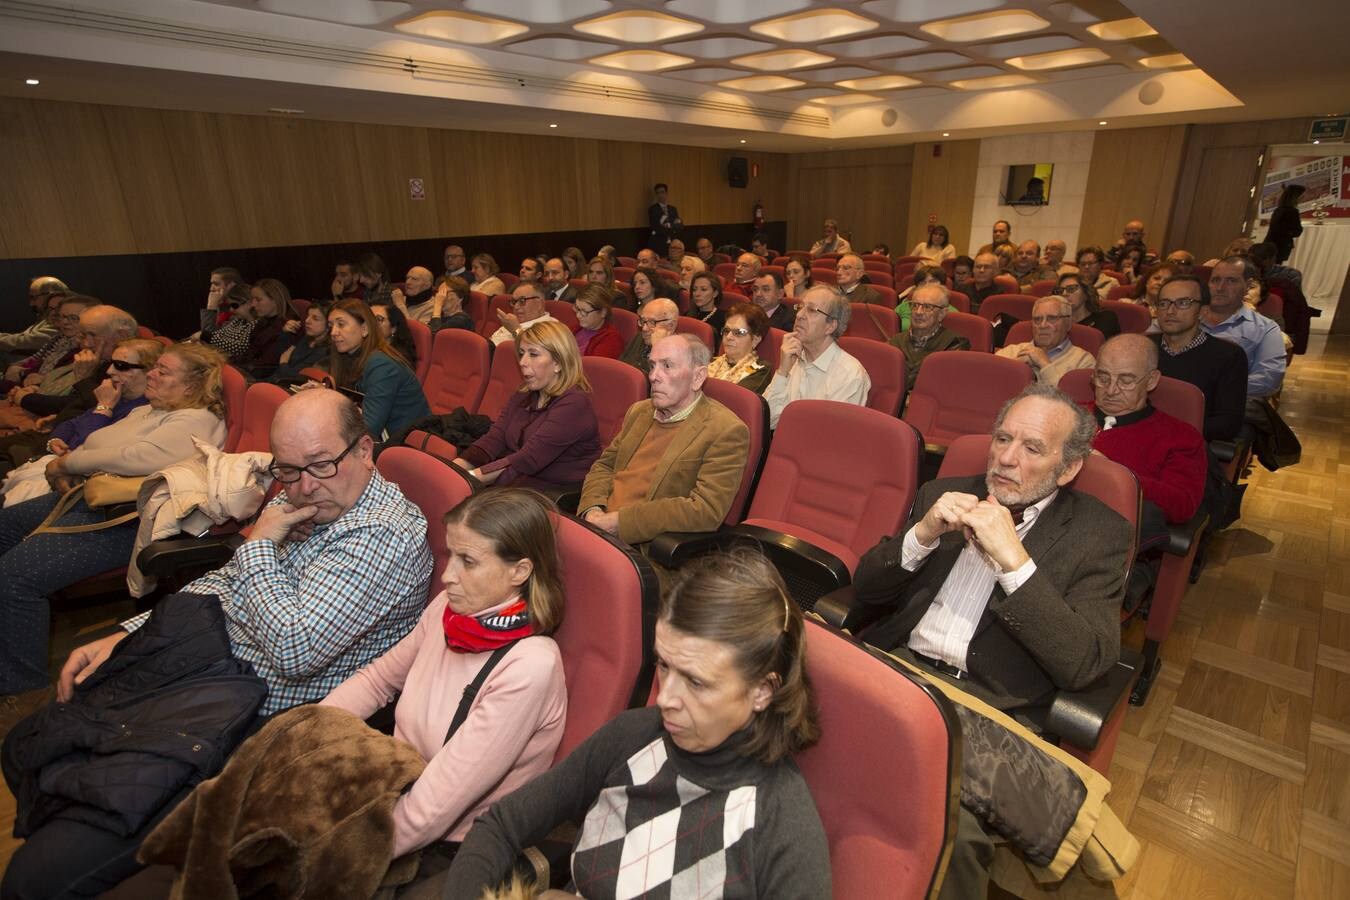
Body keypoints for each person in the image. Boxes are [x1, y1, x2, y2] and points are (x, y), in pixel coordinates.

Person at [2, 390, 433, 898]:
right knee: (37, 743)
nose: (305, 487)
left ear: (364, 450)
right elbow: (223, 583)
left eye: (321, 465)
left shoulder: (384, 535)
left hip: (242, 726)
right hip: (196, 674)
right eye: (289, 470)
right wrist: (126, 633)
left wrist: (257, 549)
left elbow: (293, 650)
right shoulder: (301, 493)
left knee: (34, 879)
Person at [850, 384, 1128, 899]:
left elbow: (1085, 662)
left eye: (1032, 448)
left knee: (945, 829)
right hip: (899, 677)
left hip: (990, 708)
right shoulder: (944, 493)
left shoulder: (1099, 533)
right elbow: (865, 588)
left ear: (1068, 470)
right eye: (1002, 438)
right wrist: (922, 536)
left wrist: (1016, 565)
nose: (1004, 458)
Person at [443, 549, 830, 899]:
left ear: (763, 690)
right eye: (664, 665)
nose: (664, 699)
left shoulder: (782, 827)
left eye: (696, 681)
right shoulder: (636, 736)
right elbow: (500, 826)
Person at [319, 488, 567, 871]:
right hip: (395, 785)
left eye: (468, 561)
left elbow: (435, 807)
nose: (448, 576)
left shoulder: (529, 667)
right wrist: (305, 735)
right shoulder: (450, 610)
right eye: (451, 554)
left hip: (447, 845)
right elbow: (377, 681)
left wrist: (350, 857)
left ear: (520, 571)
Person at [0, 343, 229, 700]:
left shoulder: (197, 420)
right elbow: (99, 442)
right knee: (4, 526)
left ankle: (21, 688)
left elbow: (132, 457)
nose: (151, 373)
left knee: (13, 579)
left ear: (191, 385)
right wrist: (74, 463)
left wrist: (68, 464)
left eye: (162, 371)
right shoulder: (153, 410)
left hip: (125, 521)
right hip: (95, 499)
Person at [579, 334, 749, 546]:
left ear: (698, 377)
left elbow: (706, 510)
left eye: (667, 366)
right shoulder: (639, 411)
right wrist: (593, 508)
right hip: (597, 527)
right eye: (652, 366)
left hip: (643, 546)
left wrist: (619, 522)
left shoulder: (725, 430)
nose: (653, 376)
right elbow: (605, 466)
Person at [2, 338, 161, 505]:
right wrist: (55, 440)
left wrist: (103, 407)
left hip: (75, 485)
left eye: (121, 366)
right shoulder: (119, 396)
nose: (110, 370)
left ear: (150, 371)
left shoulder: (145, 408)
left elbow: (89, 445)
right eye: (111, 363)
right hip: (51, 463)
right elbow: (71, 423)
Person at [453, 320, 602, 489]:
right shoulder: (524, 394)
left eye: (533, 354)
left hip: (552, 495)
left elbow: (527, 459)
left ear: (558, 363)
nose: (522, 362)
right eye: (522, 353)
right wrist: (453, 469)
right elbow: (494, 438)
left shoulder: (574, 404)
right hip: (519, 483)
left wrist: (467, 479)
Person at [1090, 335, 1207, 529]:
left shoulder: (1180, 437)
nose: (1110, 390)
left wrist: (1112, 475)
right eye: (1102, 378)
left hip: (1112, 532)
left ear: (1151, 381)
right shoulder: (1066, 414)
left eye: (1126, 381)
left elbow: (1182, 505)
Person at [1152, 274, 1248, 440]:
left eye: (1183, 303)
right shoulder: (1142, 347)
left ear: (1202, 311)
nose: (1170, 311)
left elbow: (1228, 424)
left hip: (1190, 444)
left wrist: (1167, 431)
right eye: (1163, 303)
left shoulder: (1228, 356)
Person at [764, 285, 870, 430]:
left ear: (830, 326)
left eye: (811, 310)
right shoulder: (793, 358)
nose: (800, 315)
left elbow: (827, 436)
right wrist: (782, 371)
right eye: (800, 307)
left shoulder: (850, 374)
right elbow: (767, 421)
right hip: (782, 447)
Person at [325, 299, 430, 438]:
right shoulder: (348, 357)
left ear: (365, 329)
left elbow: (369, 430)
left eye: (341, 324)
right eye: (331, 326)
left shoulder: (382, 364)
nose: (333, 332)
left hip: (406, 446)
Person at [1202, 256, 1285, 398]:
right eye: (1215, 280)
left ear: (1248, 286)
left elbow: (1269, 379)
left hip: (1229, 404)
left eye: (1231, 281)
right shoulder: (1183, 317)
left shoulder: (1266, 329)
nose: (1220, 288)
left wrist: (1213, 387)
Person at [996, 295, 1095, 387]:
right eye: (1037, 319)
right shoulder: (1010, 352)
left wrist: (1044, 363)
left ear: (1068, 323)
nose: (1043, 325)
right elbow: (990, 386)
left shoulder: (1083, 362)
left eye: (1052, 318)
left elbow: (1072, 401)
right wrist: (1017, 367)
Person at [889, 283, 969, 392]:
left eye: (927, 307)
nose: (918, 312)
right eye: (915, 305)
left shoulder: (955, 344)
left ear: (942, 313)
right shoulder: (895, 341)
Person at [708, 302, 773, 395]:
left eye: (738, 332)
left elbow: (733, 399)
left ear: (755, 340)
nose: (729, 337)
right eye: (726, 331)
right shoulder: (713, 362)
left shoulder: (758, 369)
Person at [241, 278, 299, 378]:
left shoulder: (290, 326)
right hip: (251, 370)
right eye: (252, 300)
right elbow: (250, 352)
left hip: (265, 377)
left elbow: (268, 362)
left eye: (258, 300)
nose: (253, 304)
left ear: (275, 299)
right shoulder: (262, 322)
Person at [0, 277, 66, 357]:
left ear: (50, 294)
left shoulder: (61, 317)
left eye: (34, 297)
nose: (31, 303)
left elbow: (27, 342)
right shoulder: (45, 317)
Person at [271, 301, 330, 384]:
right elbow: (279, 355)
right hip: (274, 379)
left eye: (315, 318)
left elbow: (296, 376)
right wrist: (285, 333)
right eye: (308, 316)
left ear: (329, 325)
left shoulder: (323, 351)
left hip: (286, 386)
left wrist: (283, 363)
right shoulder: (307, 337)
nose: (307, 320)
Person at [618, 298, 678, 376]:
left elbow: (657, 382)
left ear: (671, 326)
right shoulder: (639, 337)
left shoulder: (678, 354)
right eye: (643, 321)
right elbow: (621, 365)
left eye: (652, 322)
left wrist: (657, 347)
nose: (644, 328)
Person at [489, 282, 558, 347]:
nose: (516, 307)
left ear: (539, 304)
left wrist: (515, 330)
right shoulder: (512, 321)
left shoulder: (551, 327)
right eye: (514, 302)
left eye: (522, 300)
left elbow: (534, 352)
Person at [1057, 272, 1120, 338]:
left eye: (1071, 289)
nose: (1064, 294)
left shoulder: (1105, 318)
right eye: (1060, 291)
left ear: (1086, 293)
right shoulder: (1058, 322)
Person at [895, 264, 953, 331]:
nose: (927, 286)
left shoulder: (950, 312)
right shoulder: (904, 306)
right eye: (922, 283)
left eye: (932, 281)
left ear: (942, 285)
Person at [571, 285, 623, 359]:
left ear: (603, 312)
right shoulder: (576, 328)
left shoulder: (611, 340)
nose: (578, 315)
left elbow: (594, 368)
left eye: (584, 311)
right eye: (577, 309)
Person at [370, 302, 419, 373]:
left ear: (393, 328)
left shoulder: (395, 360)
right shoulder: (364, 350)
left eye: (378, 319)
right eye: (368, 318)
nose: (371, 323)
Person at [1265, 184, 1305, 263]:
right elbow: (1297, 231)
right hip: (1281, 246)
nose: (1303, 197)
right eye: (1302, 195)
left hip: (1270, 244)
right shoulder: (1292, 212)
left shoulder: (1278, 210)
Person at [688, 269, 725, 346]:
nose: (697, 294)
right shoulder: (688, 314)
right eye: (694, 289)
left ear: (715, 293)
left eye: (703, 289)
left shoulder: (724, 319)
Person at [647, 182, 682, 256]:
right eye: (658, 193)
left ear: (666, 193)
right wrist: (672, 226)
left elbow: (679, 225)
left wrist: (668, 225)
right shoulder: (653, 209)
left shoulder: (673, 209)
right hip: (659, 242)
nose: (660, 195)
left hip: (673, 241)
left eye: (662, 192)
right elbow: (656, 226)